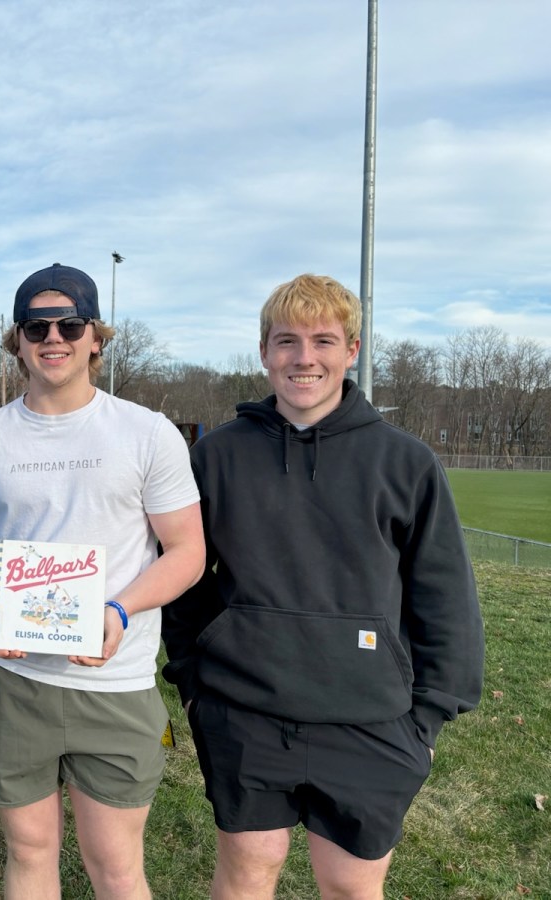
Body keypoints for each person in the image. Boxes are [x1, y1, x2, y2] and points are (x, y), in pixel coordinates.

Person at [161, 274, 485, 899]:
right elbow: (184, 578)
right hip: (244, 710)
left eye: (323, 341)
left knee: (350, 888)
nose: (303, 358)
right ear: (263, 352)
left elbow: (443, 597)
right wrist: (196, 685)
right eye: (286, 341)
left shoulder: (405, 462)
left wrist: (427, 719)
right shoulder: (216, 457)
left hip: (370, 720)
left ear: (352, 350)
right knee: (247, 874)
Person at [0, 264, 206, 898]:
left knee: (114, 865)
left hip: (112, 681)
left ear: (96, 336)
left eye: (70, 324)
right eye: (37, 325)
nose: (53, 337)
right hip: (15, 680)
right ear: (17, 340)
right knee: (30, 850)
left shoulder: (147, 433)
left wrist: (118, 611)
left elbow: (187, 551)